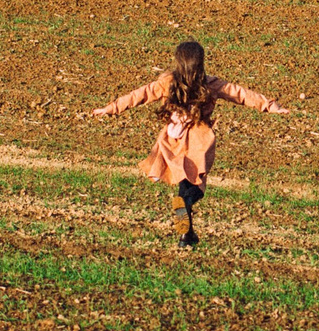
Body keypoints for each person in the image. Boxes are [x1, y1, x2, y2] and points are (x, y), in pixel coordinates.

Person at [88, 40, 288, 246]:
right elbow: (240, 94)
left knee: (183, 184)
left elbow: (140, 94)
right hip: (198, 141)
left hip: (173, 141)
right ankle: (187, 211)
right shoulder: (210, 84)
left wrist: (110, 108)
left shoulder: (167, 83)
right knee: (196, 186)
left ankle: (186, 235)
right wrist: (270, 106)